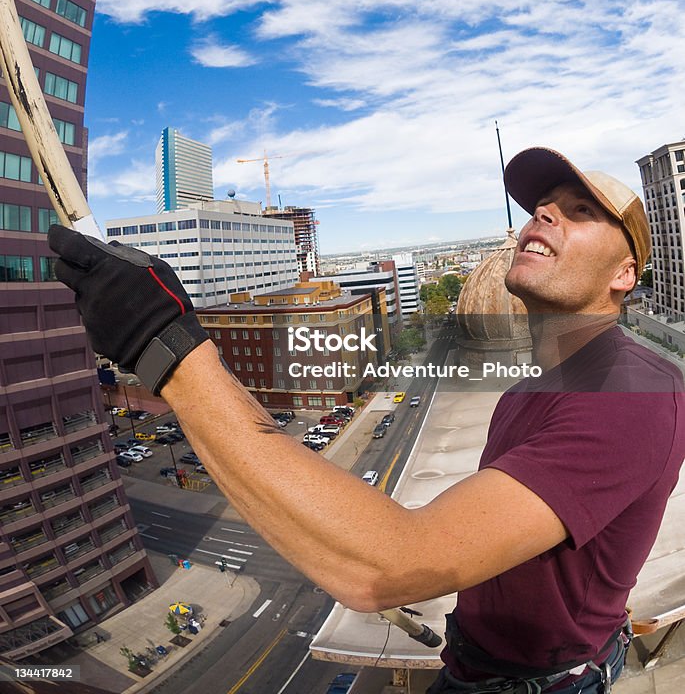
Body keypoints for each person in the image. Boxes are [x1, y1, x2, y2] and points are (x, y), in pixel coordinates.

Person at [48, 147, 684, 694]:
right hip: (482, 664)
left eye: (581, 210)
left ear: (625, 274)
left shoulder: (632, 393)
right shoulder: (533, 390)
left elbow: (386, 567)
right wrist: (189, 379)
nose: (543, 212)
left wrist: (171, 353)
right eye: (542, 204)